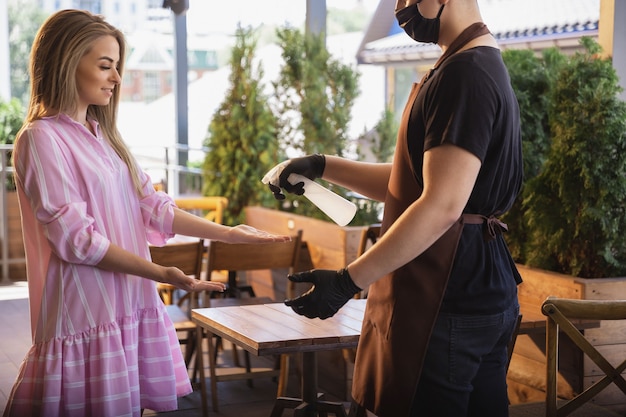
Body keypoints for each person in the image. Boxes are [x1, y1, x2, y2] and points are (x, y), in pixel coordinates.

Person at [3, 9, 289, 417]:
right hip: (86, 311)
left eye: (117, 66)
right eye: (106, 66)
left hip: (127, 304)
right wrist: (162, 274)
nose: (117, 78)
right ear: (67, 62)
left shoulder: (105, 137)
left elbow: (153, 208)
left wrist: (228, 233)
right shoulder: (40, 139)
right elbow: (76, 241)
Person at [266, 0, 523, 416]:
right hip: (474, 283)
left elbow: (441, 204)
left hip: (448, 291)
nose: (401, 8)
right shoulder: (468, 63)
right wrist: (323, 165)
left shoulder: (466, 74)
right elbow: (411, 179)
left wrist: (349, 280)